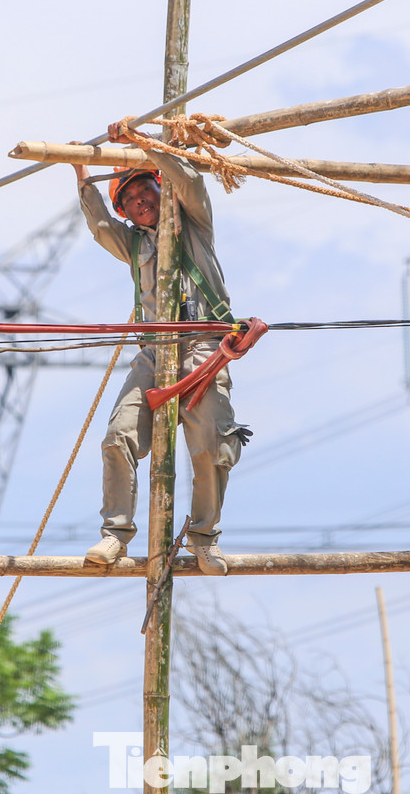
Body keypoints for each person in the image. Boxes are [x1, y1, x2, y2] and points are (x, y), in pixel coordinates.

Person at [73, 125, 250, 576]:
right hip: (154, 353)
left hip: (202, 346)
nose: (141, 201)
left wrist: (148, 145)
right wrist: (81, 170)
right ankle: (115, 535)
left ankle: (205, 539)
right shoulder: (133, 245)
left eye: (146, 189)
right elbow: (99, 226)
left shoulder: (194, 223)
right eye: (130, 200)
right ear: (126, 212)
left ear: (160, 186)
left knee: (213, 446)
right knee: (118, 437)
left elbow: (190, 181)